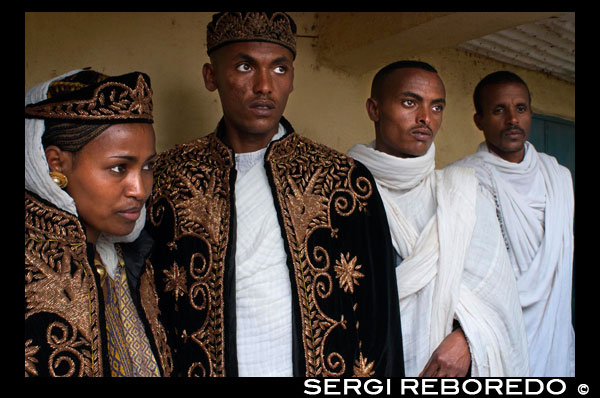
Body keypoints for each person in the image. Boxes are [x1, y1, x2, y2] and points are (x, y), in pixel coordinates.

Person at [143, 12, 404, 377]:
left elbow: (379, 319)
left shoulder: (342, 181)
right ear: (210, 76)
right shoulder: (170, 179)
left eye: (280, 69)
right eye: (245, 66)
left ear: (292, 79)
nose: (264, 85)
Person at [348, 61, 529, 377]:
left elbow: (499, 303)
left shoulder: (463, 194)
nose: (425, 118)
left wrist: (468, 340)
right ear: (373, 109)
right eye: (409, 102)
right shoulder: (339, 192)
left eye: (437, 107)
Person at [25, 69, 172, 377]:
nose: (141, 189)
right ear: (56, 163)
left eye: (147, 166)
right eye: (119, 167)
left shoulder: (131, 255)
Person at [452, 71, 575, 377]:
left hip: (554, 337)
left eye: (520, 109)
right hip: (492, 335)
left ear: (530, 113)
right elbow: (460, 277)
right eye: (498, 110)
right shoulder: (461, 179)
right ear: (478, 120)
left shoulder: (558, 177)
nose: (512, 120)